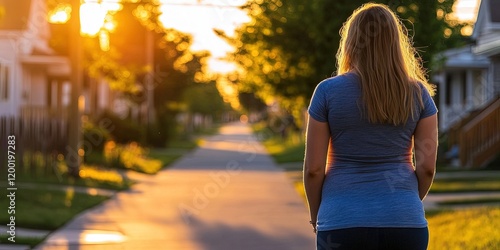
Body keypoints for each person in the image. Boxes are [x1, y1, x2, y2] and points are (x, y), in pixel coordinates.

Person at [303, 3, 438, 250]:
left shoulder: (326, 92)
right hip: (406, 224)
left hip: (342, 223)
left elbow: (313, 168)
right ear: (396, 42)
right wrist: (402, 202)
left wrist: (316, 214)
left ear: (351, 42)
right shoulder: (419, 94)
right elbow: (427, 167)